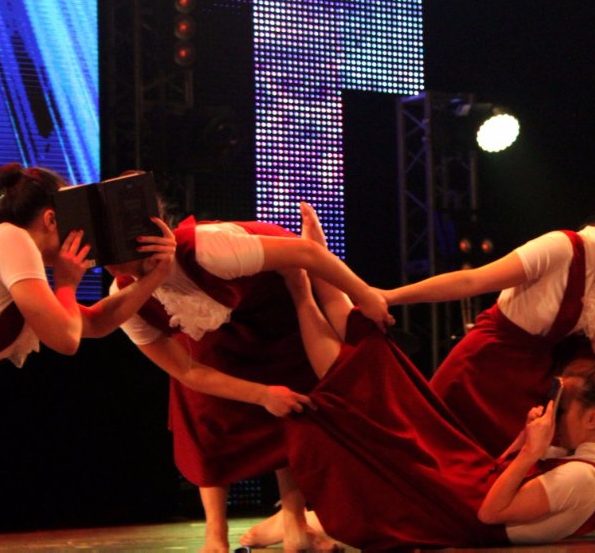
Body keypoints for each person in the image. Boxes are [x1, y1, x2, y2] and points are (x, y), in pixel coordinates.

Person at [275, 205, 595, 548]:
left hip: (464, 500)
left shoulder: (585, 477)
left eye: (562, 410)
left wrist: (530, 451)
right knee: (378, 380)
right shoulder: (590, 464)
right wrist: (527, 442)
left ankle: (305, 283)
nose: (555, 416)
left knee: (371, 396)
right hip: (480, 401)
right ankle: (314, 273)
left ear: (593, 419)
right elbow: (471, 280)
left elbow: (490, 513)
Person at [88, 205, 392, 553]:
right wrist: (261, 394)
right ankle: (215, 536)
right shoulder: (124, 300)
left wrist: (365, 295)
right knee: (204, 413)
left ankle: (295, 523)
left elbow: (308, 253)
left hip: (274, 297)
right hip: (212, 326)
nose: (108, 265)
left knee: (294, 406)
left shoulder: (207, 248)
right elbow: (187, 371)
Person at [0, 163, 173, 553]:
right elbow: (65, 339)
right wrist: (66, 283)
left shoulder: (10, 251)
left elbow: (92, 323)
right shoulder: (10, 239)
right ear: (52, 218)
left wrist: (154, 277)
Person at [380, 174, 595, 458]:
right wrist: (391, 296)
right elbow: (472, 281)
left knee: (506, 476)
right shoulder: (560, 247)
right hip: (482, 369)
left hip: (527, 382)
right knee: (436, 457)